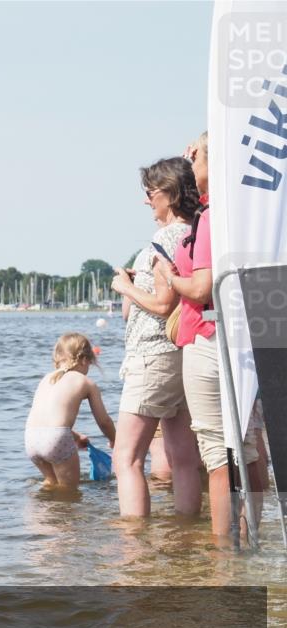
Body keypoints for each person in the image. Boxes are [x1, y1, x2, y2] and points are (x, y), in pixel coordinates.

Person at [154, 132, 263, 537]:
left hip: (209, 335)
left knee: (219, 453)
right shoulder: (240, 212)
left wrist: (169, 276)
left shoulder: (214, 218)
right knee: (247, 446)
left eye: (195, 156)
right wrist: (196, 163)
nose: (190, 162)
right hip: (241, 336)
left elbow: (202, 287)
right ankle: (252, 538)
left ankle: (224, 556)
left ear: (213, 164)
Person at [110, 157, 202, 518]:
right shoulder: (196, 230)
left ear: (169, 194)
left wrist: (124, 287)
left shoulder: (164, 238)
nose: (146, 200)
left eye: (150, 192)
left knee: (127, 457)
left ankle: (133, 551)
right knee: (183, 457)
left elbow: (164, 305)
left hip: (153, 355)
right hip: (182, 353)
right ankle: (186, 533)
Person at [25, 333, 116, 489]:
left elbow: (48, 420)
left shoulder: (46, 378)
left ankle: (41, 512)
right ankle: (66, 512)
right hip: (55, 439)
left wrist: (76, 436)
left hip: (31, 438)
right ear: (85, 359)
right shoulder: (86, 382)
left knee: (51, 484)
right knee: (69, 491)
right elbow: (104, 421)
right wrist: (115, 440)